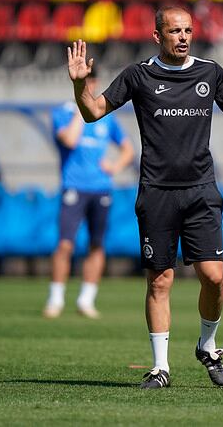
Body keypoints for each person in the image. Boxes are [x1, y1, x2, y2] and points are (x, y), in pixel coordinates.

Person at [66, 5, 223, 389]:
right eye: (175, 31)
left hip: (201, 190)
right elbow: (93, 112)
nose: (183, 37)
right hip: (156, 193)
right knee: (160, 281)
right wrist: (79, 84)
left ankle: (207, 344)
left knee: (214, 278)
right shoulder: (139, 75)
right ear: (158, 36)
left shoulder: (210, 72)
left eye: (188, 30)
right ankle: (160, 368)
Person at [43, 67, 135, 319]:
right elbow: (70, 141)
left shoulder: (108, 118)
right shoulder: (63, 113)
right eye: (83, 82)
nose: (89, 86)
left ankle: (86, 299)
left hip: (101, 188)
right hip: (74, 187)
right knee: (65, 244)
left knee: (97, 244)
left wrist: (114, 166)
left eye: (90, 81)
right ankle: (56, 298)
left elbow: (128, 149)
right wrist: (80, 109)